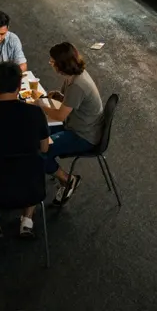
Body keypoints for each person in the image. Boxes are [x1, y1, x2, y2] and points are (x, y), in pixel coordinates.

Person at [0, 61, 50, 239]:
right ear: (19, 86)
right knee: (35, 162)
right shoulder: (36, 113)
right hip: (31, 188)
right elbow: (44, 148)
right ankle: (27, 221)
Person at [36, 42, 104, 207]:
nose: (51, 64)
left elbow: (60, 115)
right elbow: (72, 103)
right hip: (77, 125)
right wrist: (60, 97)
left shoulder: (77, 85)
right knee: (36, 134)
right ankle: (49, 169)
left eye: (52, 62)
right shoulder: (75, 76)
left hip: (83, 135)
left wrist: (40, 105)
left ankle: (68, 179)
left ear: (61, 64)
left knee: (40, 150)